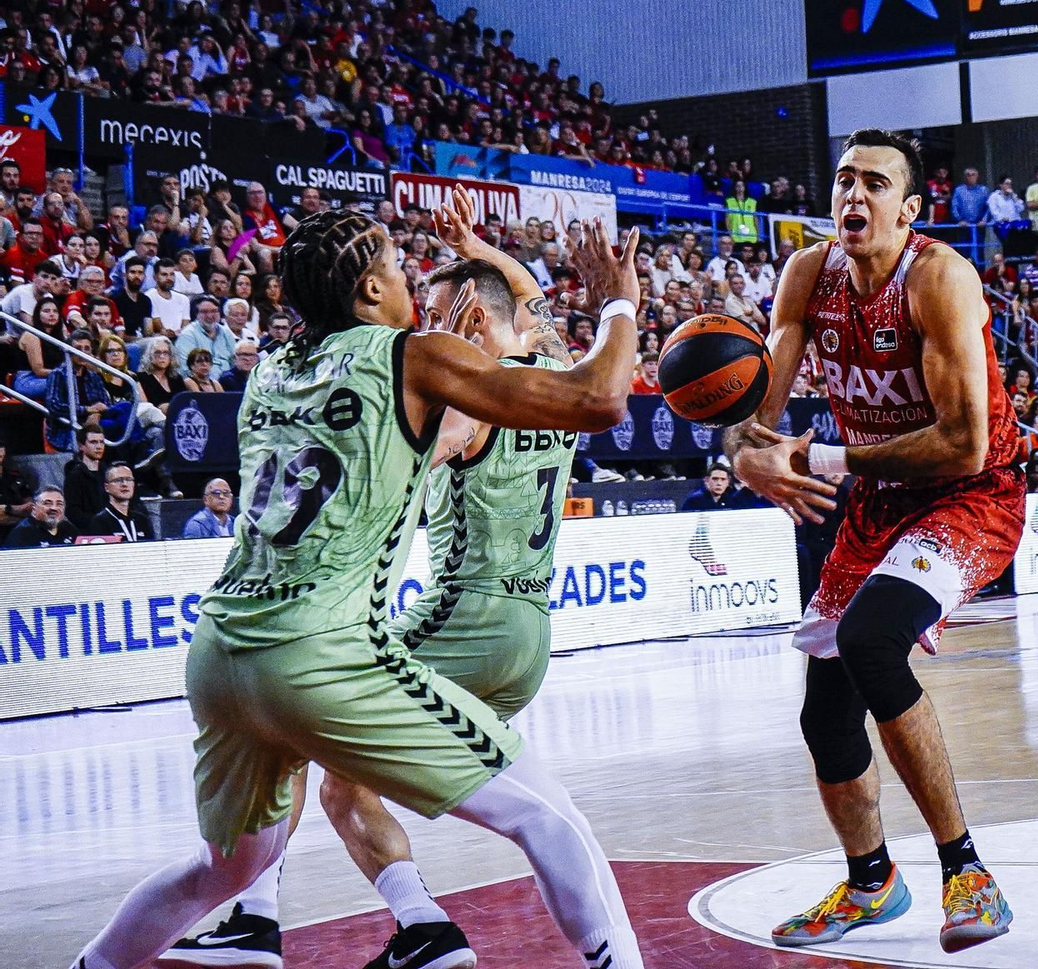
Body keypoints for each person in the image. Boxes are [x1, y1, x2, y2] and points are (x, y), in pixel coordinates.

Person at [72, 208, 648, 969]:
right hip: (326, 655)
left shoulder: (268, 372)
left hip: (221, 652)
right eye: (399, 268)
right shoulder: (418, 358)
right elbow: (600, 396)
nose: (413, 283)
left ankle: (122, 955)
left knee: (225, 867)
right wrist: (619, 300)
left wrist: (481, 296)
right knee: (546, 819)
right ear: (374, 285)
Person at [730, 128, 1021, 953]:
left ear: (911, 207)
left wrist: (818, 454)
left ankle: (967, 871)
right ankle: (870, 882)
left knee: (870, 639)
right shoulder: (806, 274)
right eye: (845, 181)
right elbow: (755, 425)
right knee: (824, 712)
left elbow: (963, 444)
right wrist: (748, 458)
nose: (854, 196)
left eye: (876, 184)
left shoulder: (940, 280)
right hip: (878, 502)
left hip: (973, 495)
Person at [302, 186, 583, 969]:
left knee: (314, 739)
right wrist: (483, 249)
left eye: (439, 315)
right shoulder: (557, 372)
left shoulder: (469, 399)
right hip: (533, 634)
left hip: (462, 613)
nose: (425, 331)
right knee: (495, 785)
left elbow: (401, 470)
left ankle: (407, 922)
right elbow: (529, 300)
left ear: (473, 321)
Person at [84, 462, 143, 543]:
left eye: (129, 479)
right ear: (106, 487)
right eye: (118, 480)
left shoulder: (142, 520)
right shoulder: (100, 521)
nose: (124, 484)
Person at [5, 485, 71, 547]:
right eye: (47, 503)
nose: (54, 508)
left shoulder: (69, 528)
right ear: (34, 508)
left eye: (59, 504)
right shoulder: (22, 532)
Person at [683, 462, 749, 511]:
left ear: (728, 482)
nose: (719, 483)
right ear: (706, 480)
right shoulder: (694, 501)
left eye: (723, 479)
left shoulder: (731, 500)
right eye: (715, 479)